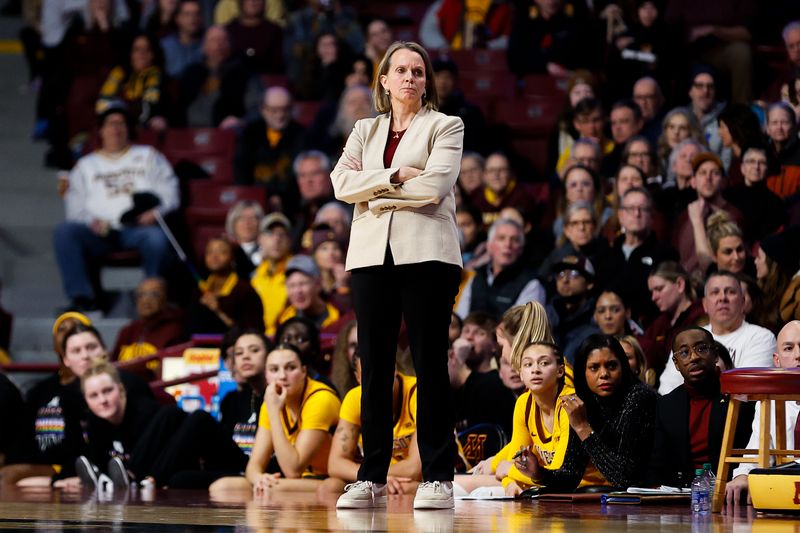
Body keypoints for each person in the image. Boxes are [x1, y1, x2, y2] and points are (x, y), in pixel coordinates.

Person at [330, 41, 464, 510]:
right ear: (383, 81)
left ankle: (439, 477)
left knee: (429, 365)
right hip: (370, 256)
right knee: (375, 368)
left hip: (428, 252)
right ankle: (372, 477)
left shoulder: (446, 125)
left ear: (426, 81)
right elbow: (340, 183)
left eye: (419, 71)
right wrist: (395, 176)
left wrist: (378, 193)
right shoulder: (364, 129)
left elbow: (436, 186)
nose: (410, 77)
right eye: (400, 70)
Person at [53, 104, 178, 312]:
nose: (116, 129)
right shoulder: (86, 165)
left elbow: (170, 193)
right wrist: (91, 222)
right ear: (101, 130)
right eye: (111, 124)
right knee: (64, 232)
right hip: (100, 231)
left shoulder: (148, 156)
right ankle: (82, 298)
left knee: (156, 239)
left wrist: (155, 213)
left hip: (137, 228)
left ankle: (154, 296)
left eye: (121, 124)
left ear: (128, 128)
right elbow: (74, 209)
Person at [77, 361, 247, 490]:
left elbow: (181, 450)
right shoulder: (95, 423)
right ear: (85, 400)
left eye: (107, 391)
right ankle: (133, 479)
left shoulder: (146, 412)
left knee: (180, 415)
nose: (103, 400)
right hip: (176, 474)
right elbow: (99, 462)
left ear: (121, 389)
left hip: (204, 456)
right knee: (177, 481)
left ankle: (133, 476)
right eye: (94, 395)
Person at [646, 326, 755, 487]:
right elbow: (658, 465)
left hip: (731, 490)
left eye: (701, 349)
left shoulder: (741, 397)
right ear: (676, 364)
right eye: (684, 353)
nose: (694, 357)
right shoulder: (667, 405)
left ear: (715, 354)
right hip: (681, 497)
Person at [562, 334, 658, 488]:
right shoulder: (586, 402)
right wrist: (537, 474)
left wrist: (582, 428)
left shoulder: (640, 398)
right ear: (582, 372)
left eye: (611, 366)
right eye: (594, 367)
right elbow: (570, 474)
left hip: (654, 499)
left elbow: (624, 478)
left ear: (623, 367)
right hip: (620, 500)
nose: (604, 374)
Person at [658, 271, 776, 395]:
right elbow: (667, 389)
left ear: (742, 302)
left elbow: (748, 390)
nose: (722, 298)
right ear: (705, 304)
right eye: (715, 292)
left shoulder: (762, 337)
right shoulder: (688, 338)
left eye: (730, 291)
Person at [321, 349, 421, 497]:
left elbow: (414, 469)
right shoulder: (355, 398)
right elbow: (335, 464)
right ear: (358, 378)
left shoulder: (418, 393)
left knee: (399, 490)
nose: (376, 382)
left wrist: (374, 476)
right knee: (329, 486)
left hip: (425, 478)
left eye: (382, 372)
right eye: (368, 375)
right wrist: (375, 477)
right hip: (383, 475)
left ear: (393, 369)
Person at [244, 344, 340, 493]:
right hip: (302, 481)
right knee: (224, 487)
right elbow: (254, 465)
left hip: (331, 480)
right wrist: (258, 478)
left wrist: (274, 412)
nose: (282, 376)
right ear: (266, 375)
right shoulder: (271, 400)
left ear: (303, 371)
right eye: (274, 370)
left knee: (270, 490)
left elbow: (293, 469)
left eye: (290, 368)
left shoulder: (321, 399)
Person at [724, 320, 800, 505]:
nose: (798, 355)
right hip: (785, 494)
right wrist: (743, 475)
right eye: (789, 348)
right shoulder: (769, 403)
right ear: (777, 360)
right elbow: (757, 449)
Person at [499, 341, 581, 496]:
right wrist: (509, 483)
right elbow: (515, 460)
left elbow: (559, 474)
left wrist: (508, 471)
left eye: (544, 363)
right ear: (521, 374)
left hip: (589, 492)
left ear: (560, 371)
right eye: (528, 364)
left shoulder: (570, 403)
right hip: (548, 491)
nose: (535, 370)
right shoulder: (523, 403)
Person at [609, 187, 678, 325]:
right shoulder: (607, 253)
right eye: (630, 208)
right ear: (621, 215)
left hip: (650, 327)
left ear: (652, 216)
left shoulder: (665, 253)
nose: (637, 213)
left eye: (643, 208)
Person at [456, 218, 545, 320]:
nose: (508, 245)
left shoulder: (532, 283)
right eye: (501, 238)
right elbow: (460, 320)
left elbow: (523, 328)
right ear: (489, 246)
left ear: (521, 248)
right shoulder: (477, 277)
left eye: (515, 240)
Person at [673, 152, 744, 277]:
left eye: (715, 173)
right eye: (702, 173)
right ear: (693, 182)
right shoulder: (683, 216)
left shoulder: (733, 215)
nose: (708, 178)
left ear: (723, 181)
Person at [234, 87, 306, 207]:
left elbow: (297, 176)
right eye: (274, 110)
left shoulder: (300, 134)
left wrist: (282, 197)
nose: (280, 115)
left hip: (291, 202)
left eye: (285, 109)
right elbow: (241, 173)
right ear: (263, 109)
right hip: (255, 201)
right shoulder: (249, 134)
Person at [187, 236, 264, 334]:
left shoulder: (244, 290)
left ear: (233, 257)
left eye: (222, 252)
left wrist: (218, 311)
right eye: (209, 252)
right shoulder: (199, 291)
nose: (214, 256)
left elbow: (253, 332)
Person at [177, 25, 250, 129]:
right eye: (213, 40)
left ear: (231, 44)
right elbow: (177, 108)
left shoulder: (243, 73)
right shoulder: (191, 72)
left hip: (228, 133)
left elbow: (257, 107)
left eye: (224, 40)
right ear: (204, 46)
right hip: (188, 132)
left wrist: (241, 121)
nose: (219, 45)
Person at [642, 261, 707, 376]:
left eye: (659, 289)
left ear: (680, 284)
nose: (654, 297)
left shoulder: (701, 314)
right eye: (652, 292)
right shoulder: (660, 323)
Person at [111, 277, 185, 370]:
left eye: (154, 294)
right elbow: (113, 365)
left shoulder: (174, 331)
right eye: (141, 294)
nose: (146, 299)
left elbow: (173, 370)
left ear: (164, 298)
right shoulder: (127, 331)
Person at [97, 34, 167, 130]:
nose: (142, 54)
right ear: (130, 53)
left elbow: (157, 112)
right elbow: (103, 104)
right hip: (116, 130)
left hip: (146, 132)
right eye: (137, 49)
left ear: (154, 54)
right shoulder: (117, 74)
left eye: (147, 49)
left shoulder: (165, 82)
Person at [219, 330, 271, 459]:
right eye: (239, 353)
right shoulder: (231, 400)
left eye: (254, 350)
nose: (245, 357)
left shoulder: (280, 396)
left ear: (269, 355)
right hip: (236, 467)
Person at [723, 145, 787, 245]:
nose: (756, 167)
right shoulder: (727, 196)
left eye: (761, 163)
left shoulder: (775, 203)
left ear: (767, 169)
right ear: (742, 168)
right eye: (751, 161)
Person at [546, 255, 600, 363]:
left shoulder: (598, 317)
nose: (565, 280)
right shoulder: (545, 315)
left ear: (589, 283)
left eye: (574, 274)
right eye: (561, 274)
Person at [251, 212, 293, 337]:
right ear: (260, 239)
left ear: (289, 241)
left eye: (282, 234)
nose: (277, 239)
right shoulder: (254, 276)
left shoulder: (298, 273)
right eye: (270, 233)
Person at [753, 227, 800, 334]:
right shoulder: (762, 292)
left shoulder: (796, 296)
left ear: (772, 264)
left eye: (759, 257)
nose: (755, 262)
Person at [277, 255, 341, 331]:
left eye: (303, 283)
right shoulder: (284, 321)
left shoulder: (339, 316)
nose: (297, 291)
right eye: (292, 285)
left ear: (318, 284)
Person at [225, 0, 283, 75]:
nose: (253, 2)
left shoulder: (275, 30)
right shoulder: (229, 30)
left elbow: (278, 63)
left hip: (267, 79)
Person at [716, 104, 764, 185]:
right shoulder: (734, 160)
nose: (719, 132)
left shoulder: (755, 158)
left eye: (722, 127)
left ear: (736, 127)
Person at [764, 102, 800, 199]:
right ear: (767, 128)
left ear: (794, 126)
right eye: (774, 123)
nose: (779, 128)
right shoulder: (761, 154)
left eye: (784, 122)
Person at [159, 0, 203, 79]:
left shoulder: (207, 45)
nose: (193, 18)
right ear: (177, 19)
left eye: (197, 14)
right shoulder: (165, 46)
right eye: (187, 14)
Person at [225, 200, 264, 277]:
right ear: (233, 223)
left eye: (253, 218)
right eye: (242, 218)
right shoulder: (226, 250)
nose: (247, 223)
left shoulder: (269, 252)